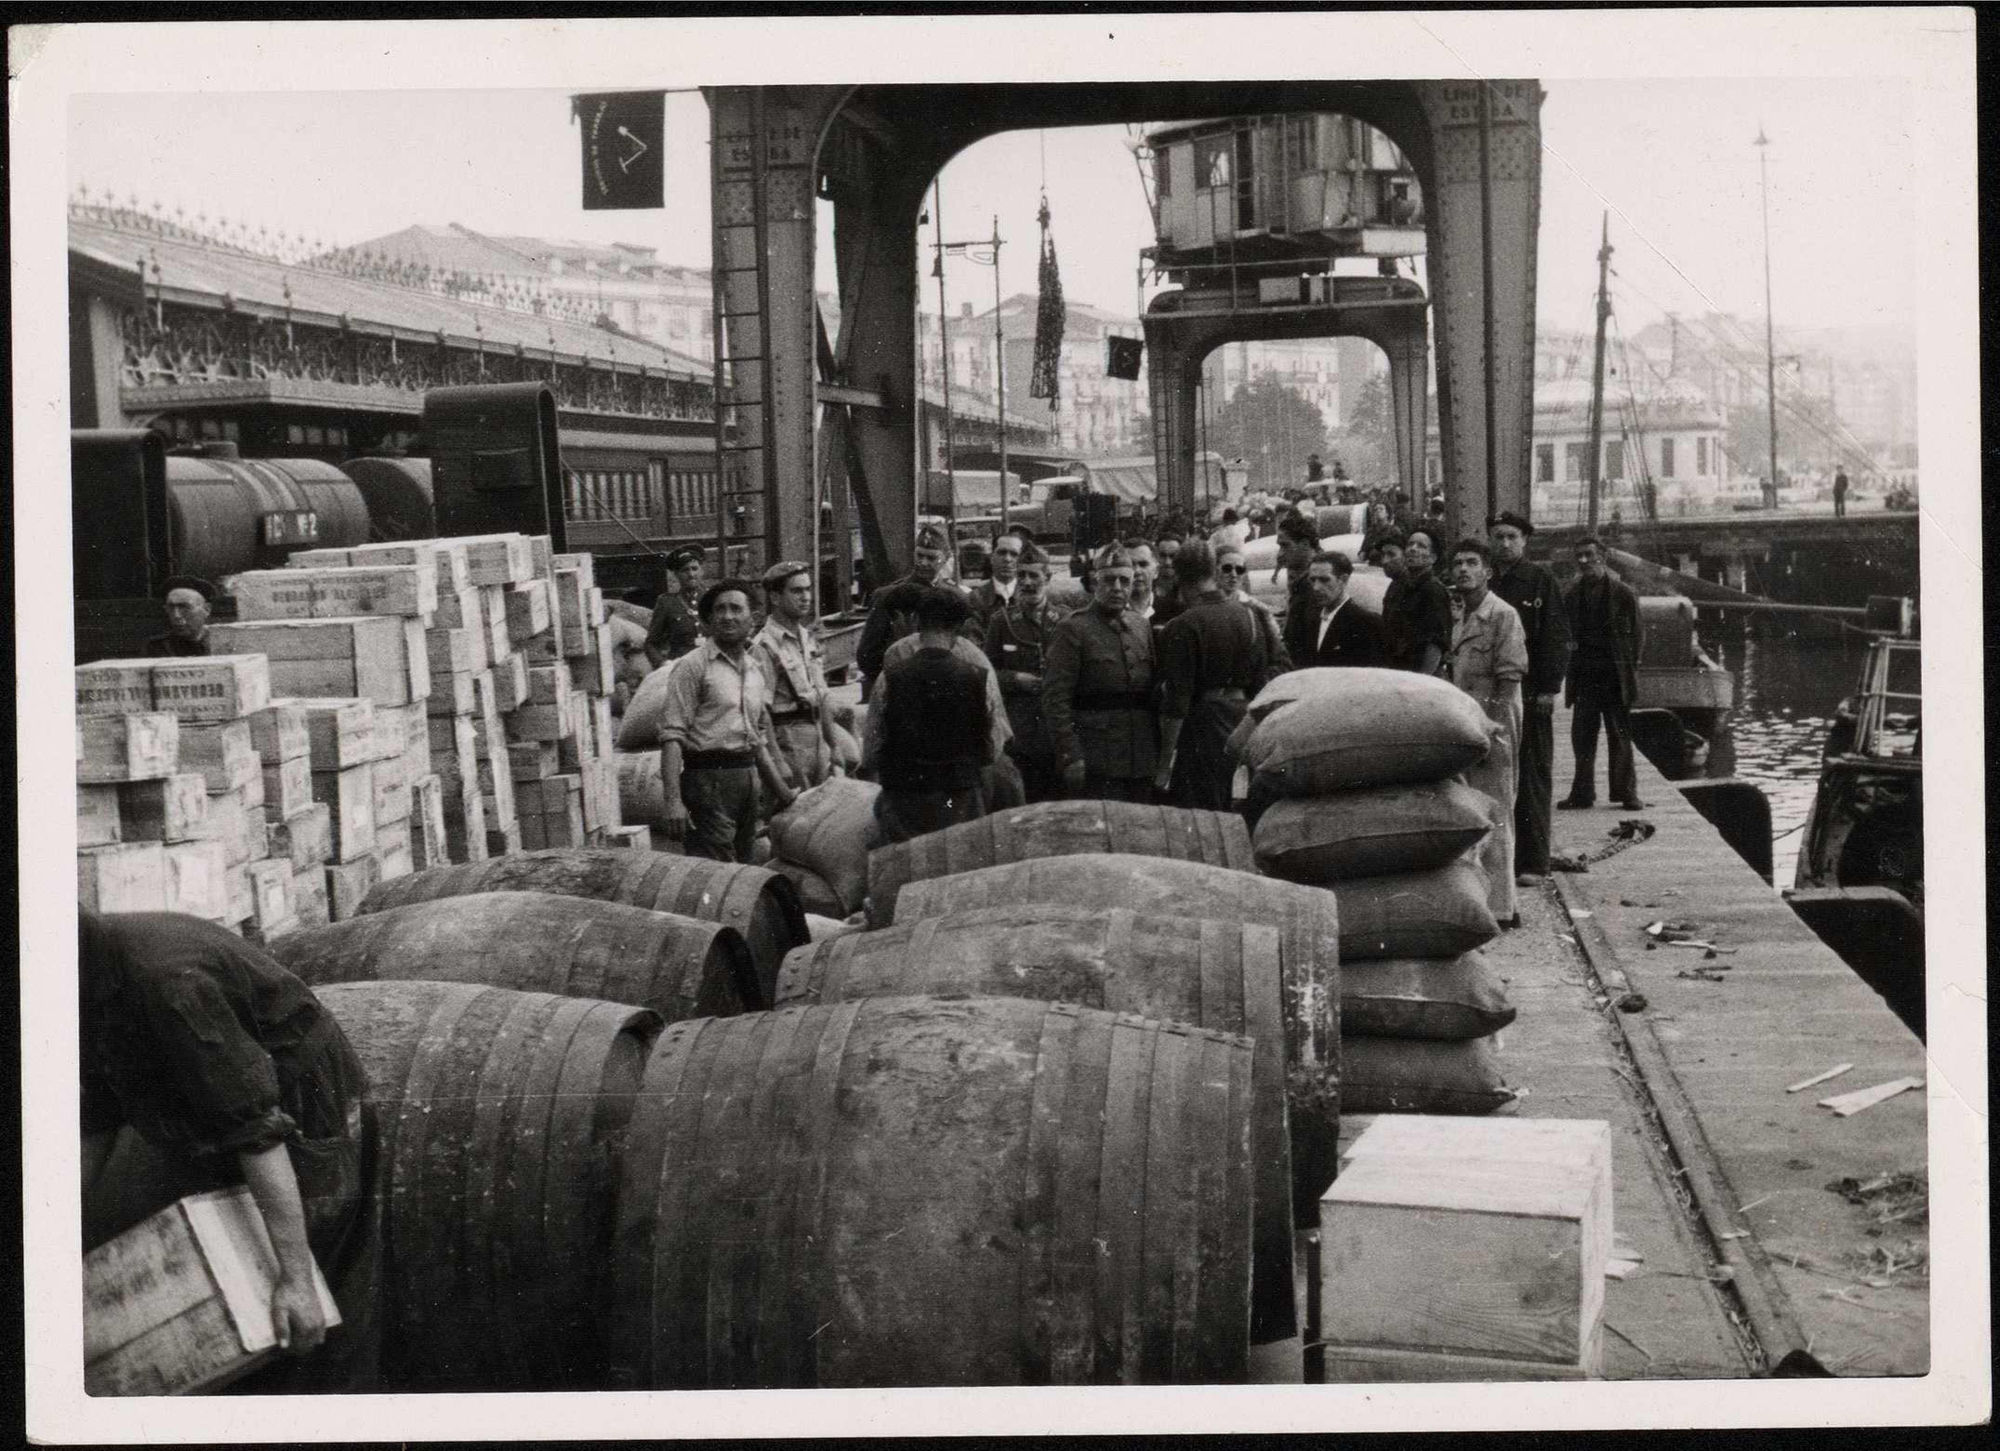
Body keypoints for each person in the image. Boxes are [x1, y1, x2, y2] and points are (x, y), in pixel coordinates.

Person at [79, 908, 381, 1391]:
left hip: (299, 1096)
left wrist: (296, 1279)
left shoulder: (171, 984)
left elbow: (258, 1131)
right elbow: (97, 1112)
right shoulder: (83, 977)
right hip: (220, 1099)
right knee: (232, 1263)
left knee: (312, 1291)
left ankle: (327, 1396)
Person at [656, 579, 801, 862]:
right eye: (719, 610)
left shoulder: (755, 670)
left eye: (736, 609)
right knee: (718, 870)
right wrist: (672, 801)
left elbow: (757, 740)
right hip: (707, 781)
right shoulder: (693, 666)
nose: (727, 616)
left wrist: (783, 793)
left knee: (745, 866)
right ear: (709, 620)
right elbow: (672, 736)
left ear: (754, 619)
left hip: (747, 779)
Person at [867, 586, 996, 843]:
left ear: (916, 621)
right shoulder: (979, 678)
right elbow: (989, 751)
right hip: (959, 801)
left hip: (907, 802)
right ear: (959, 628)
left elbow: (872, 751)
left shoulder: (889, 679)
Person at [1446, 539, 1530, 928]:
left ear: (1487, 572)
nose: (1463, 569)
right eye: (1458, 563)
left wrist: (1494, 725)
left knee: (1497, 811)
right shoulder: (1463, 616)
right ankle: (1483, 900)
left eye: (1472, 563)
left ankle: (1502, 906)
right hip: (1468, 721)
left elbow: (1509, 675)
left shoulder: (1502, 615)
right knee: (1474, 809)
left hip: (1493, 722)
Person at [1487, 511, 1570, 886]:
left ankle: (1534, 861)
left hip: (1532, 688)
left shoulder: (1539, 580)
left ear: (1524, 541)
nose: (1504, 544)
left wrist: (1550, 688)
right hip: (1493, 690)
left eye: (1512, 537)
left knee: (1533, 773)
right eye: (1498, 537)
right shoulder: (1486, 580)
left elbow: (1556, 636)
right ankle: (1500, 858)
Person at [1154, 542, 1268, 811]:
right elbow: (1260, 682)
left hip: (1202, 727)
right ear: (1214, 571)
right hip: (1242, 723)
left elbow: (1176, 702)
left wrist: (1164, 765)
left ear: (1180, 578)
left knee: (1201, 808)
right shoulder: (1250, 617)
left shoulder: (1182, 625)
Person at [1043, 543, 1159, 803]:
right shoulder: (1072, 629)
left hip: (1140, 756)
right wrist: (1070, 755)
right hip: (1096, 757)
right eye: (1109, 580)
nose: (1117, 587)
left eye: (1124, 580)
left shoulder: (1141, 626)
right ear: (1095, 582)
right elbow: (1055, 700)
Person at [1560, 537, 1646, 812]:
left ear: (1604, 557)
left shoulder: (1623, 594)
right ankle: (1582, 793)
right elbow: (1565, 636)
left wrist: (1627, 668)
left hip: (1614, 676)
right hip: (1585, 676)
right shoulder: (1572, 596)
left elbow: (1637, 636)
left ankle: (1627, 794)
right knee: (1582, 737)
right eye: (1579, 556)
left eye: (1588, 555)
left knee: (1619, 735)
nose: (1584, 561)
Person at [983, 542, 1063, 802]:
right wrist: (1015, 679)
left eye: (1034, 576)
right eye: (1022, 575)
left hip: (1056, 730)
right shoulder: (1002, 621)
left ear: (1047, 578)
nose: (1027, 583)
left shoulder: (1065, 620)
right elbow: (986, 673)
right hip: (1019, 730)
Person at [751, 560, 837, 792]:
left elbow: (821, 695)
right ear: (775, 598)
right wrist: (778, 762)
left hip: (816, 733)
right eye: (797, 590)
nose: (806, 597)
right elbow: (762, 712)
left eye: (808, 589)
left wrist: (834, 746)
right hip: (788, 739)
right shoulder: (764, 646)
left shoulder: (807, 638)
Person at [855, 524, 951, 698]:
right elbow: (866, 656)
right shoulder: (889, 597)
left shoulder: (953, 598)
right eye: (919, 555)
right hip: (901, 693)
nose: (923, 562)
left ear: (945, 559)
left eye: (931, 558)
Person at [1284, 550, 1383, 668]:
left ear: (1344, 580)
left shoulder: (1367, 623)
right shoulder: (1308, 621)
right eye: (1312, 580)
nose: (1316, 587)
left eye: (1324, 580)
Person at [1214, 543, 1294, 684]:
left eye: (1239, 569)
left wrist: (1256, 683)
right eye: (1227, 568)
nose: (1233, 575)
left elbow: (1282, 661)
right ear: (1214, 570)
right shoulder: (1204, 609)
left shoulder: (1258, 611)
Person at [1380, 526, 1453, 676]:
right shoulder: (1396, 586)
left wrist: (1422, 680)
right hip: (1396, 670)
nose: (1413, 549)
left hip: (1419, 675)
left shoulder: (1433, 590)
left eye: (1421, 546)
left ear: (1433, 558)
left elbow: (1436, 644)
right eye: (1410, 544)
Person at [643, 547, 705, 670]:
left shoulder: (714, 598)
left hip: (712, 665)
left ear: (701, 571)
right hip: (682, 667)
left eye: (694, 569)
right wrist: (663, 663)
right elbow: (651, 644)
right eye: (685, 570)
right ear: (676, 574)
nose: (691, 574)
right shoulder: (667, 602)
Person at [963, 531, 1023, 631]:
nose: (1008, 559)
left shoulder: (1030, 595)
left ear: (1021, 559)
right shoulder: (976, 598)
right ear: (991, 557)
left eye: (1014, 554)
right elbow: (973, 639)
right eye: (1002, 553)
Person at [147, 575, 217, 657]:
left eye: (185, 607)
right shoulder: (157, 647)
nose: (176, 615)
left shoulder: (222, 642)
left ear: (206, 609)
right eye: (170, 607)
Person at [1150, 530, 1187, 628]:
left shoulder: (1188, 589)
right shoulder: (1148, 585)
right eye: (1162, 556)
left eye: (1173, 556)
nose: (1167, 562)